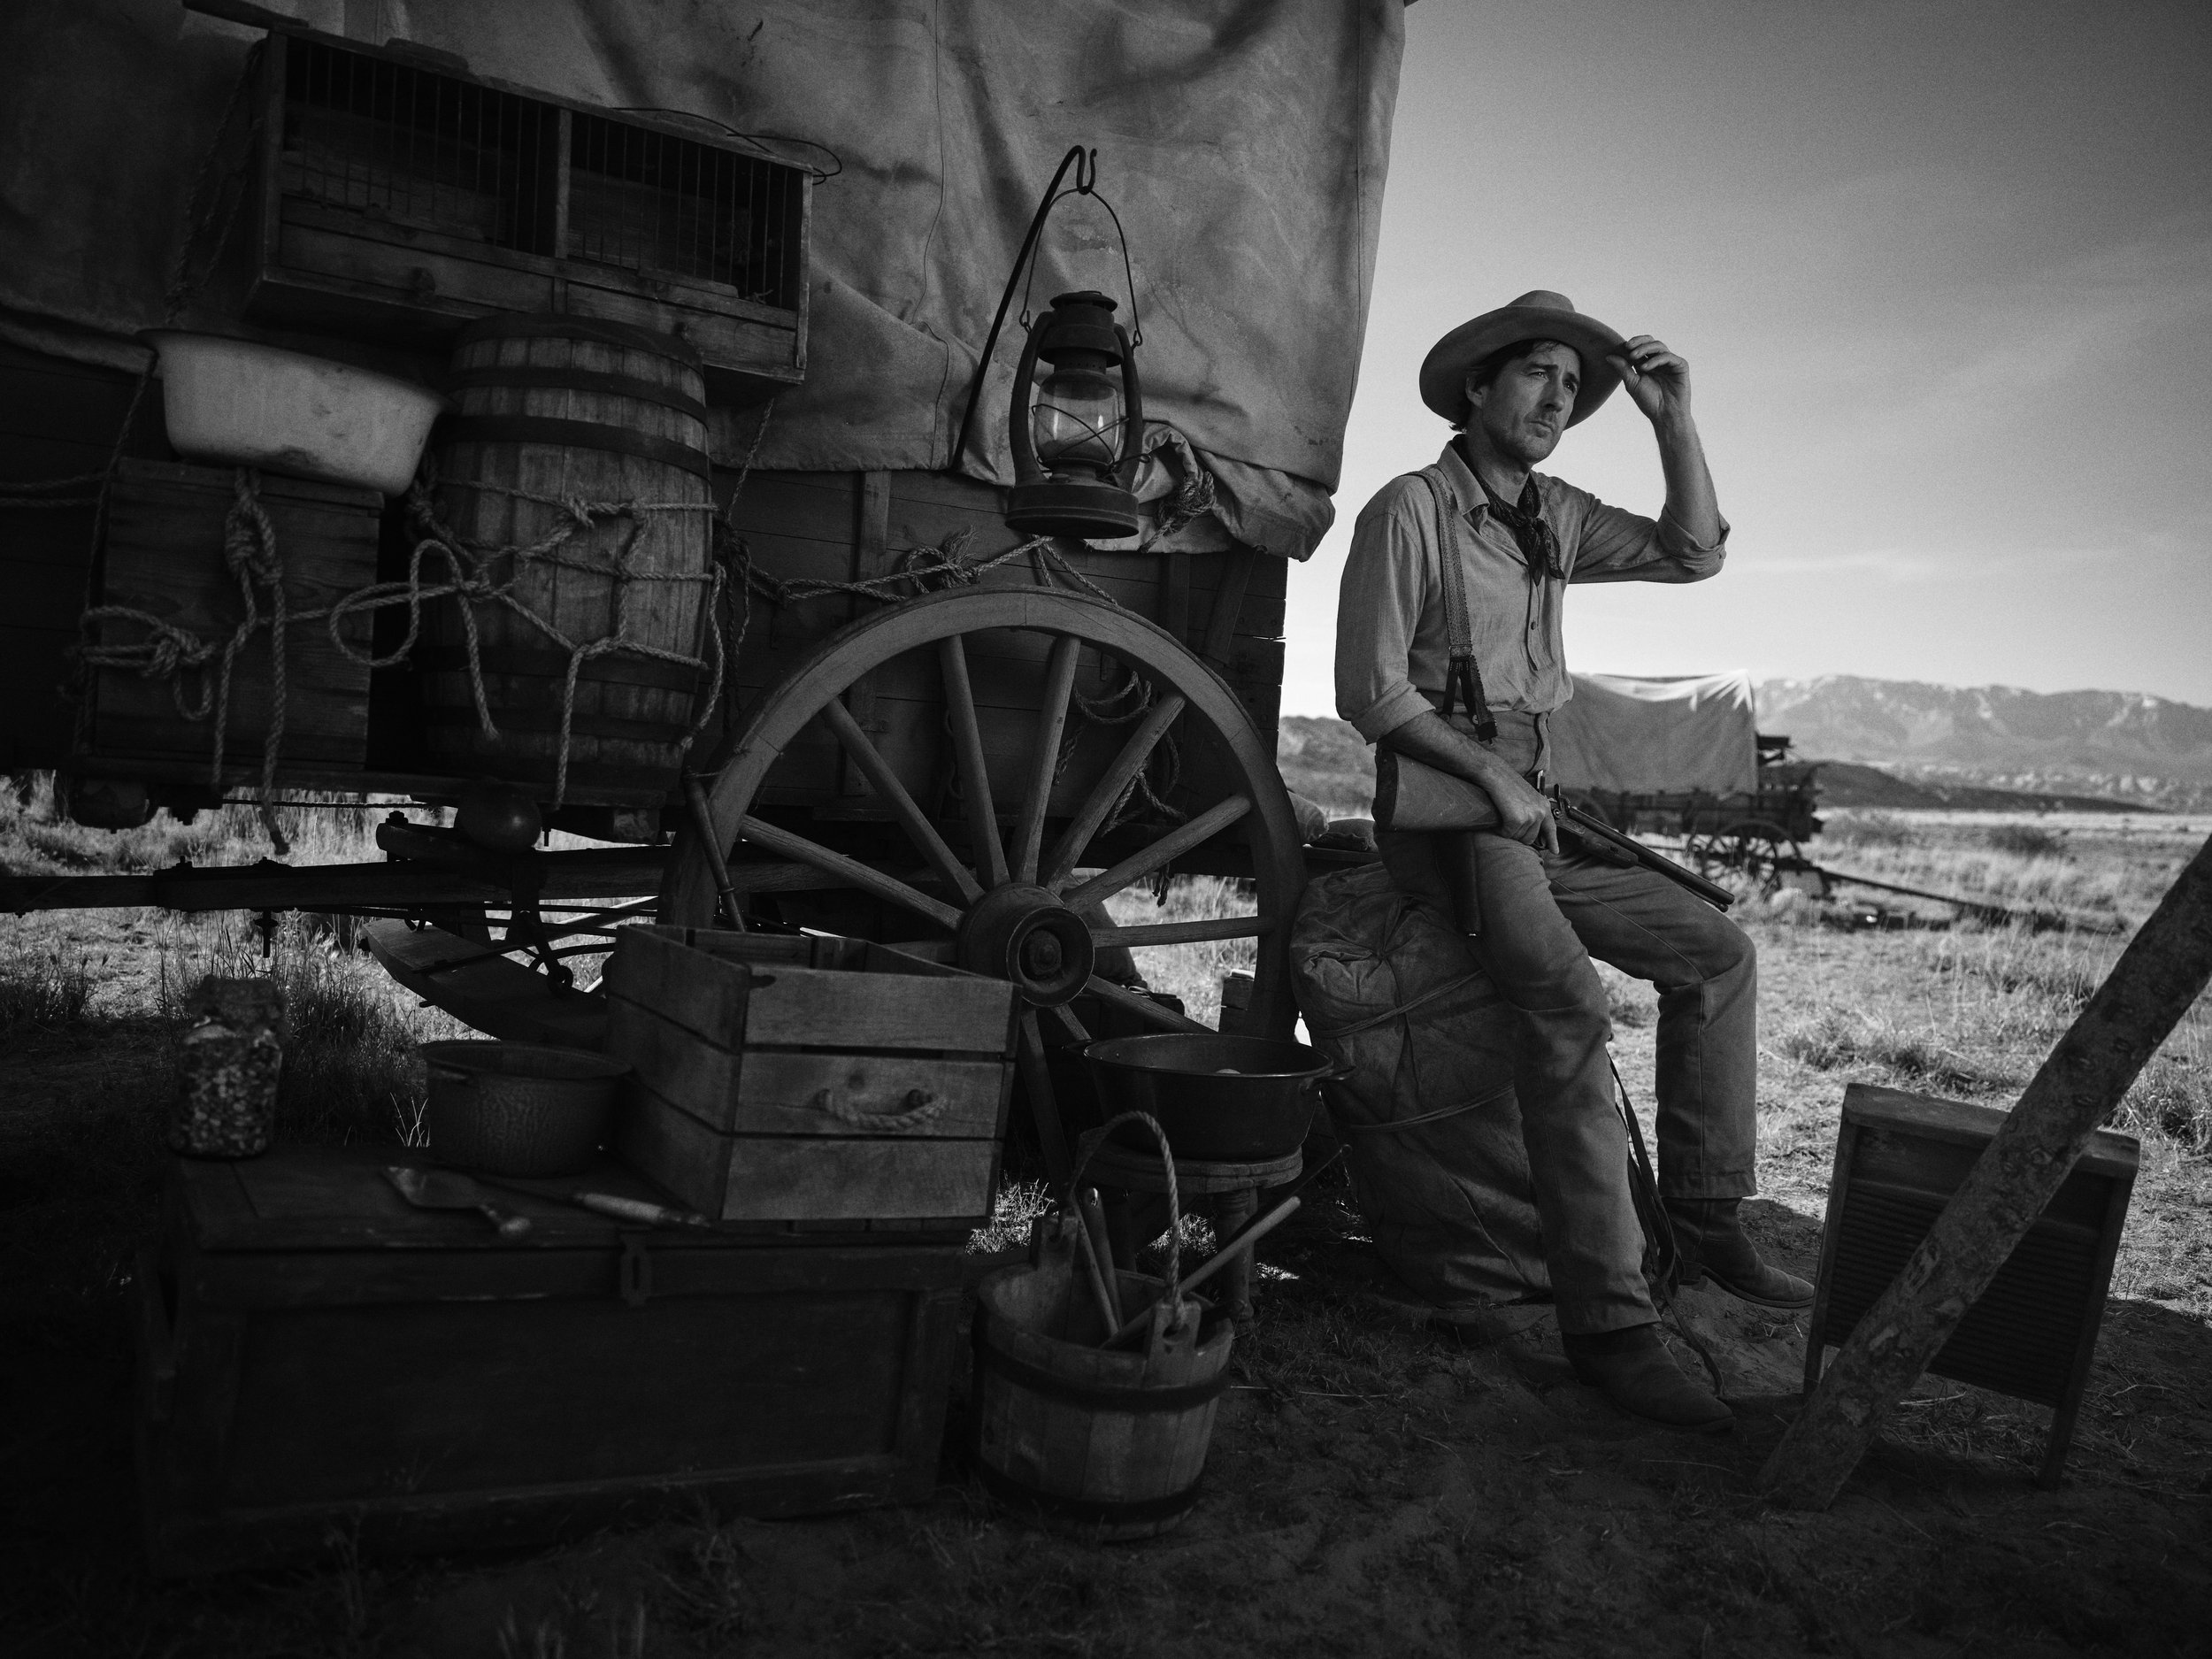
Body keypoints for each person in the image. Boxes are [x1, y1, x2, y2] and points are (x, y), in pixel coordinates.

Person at [1333, 290, 1810, 1432]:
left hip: (1538, 808)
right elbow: (1370, 690)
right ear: (1477, 389)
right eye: (1537, 374)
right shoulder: (1411, 511)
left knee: (1718, 954)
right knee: (1566, 1003)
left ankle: (1705, 1217)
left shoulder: (1556, 516)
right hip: (1452, 817)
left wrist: (1672, 419)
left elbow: (1694, 554)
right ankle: (1609, 1326)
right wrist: (1490, 780)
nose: (1557, 400)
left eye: (1571, 385)